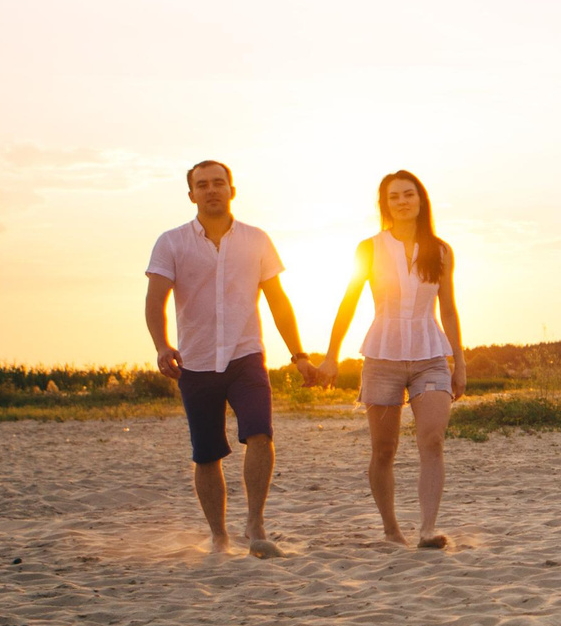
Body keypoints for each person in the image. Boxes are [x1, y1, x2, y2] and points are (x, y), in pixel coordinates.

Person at [143, 160, 316, 557]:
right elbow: (155, 300)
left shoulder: (256, 239)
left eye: (219, 183)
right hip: (195, 361)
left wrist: (298, 354)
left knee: (261, 434)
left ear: (232, 190)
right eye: (202, 185)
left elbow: (278, 301)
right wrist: (162, 345)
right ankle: (218, 535)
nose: (211, 190)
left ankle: (255, 521)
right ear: (191, 195)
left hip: (246, 355)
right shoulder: (171, 242)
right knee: (206, 453)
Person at [314, 169, 466, 548]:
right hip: (382, 356)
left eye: (408, 194)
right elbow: (348, 303)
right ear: (385, 204)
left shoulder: (441, 250)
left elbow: (448, 309)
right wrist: (331, 356)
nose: (402, 201)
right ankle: (390, 529)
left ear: (420, 200)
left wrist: (459, 362)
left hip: (431, 356)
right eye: (394, 196)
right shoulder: (369, 248)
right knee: (384, 449)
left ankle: (428, 529)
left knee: (432, 440)